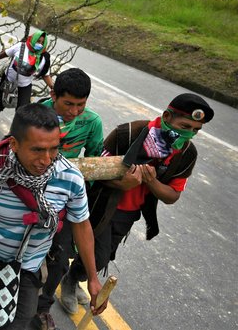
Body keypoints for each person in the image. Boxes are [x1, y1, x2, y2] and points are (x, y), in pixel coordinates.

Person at [0, 103, 107, 330]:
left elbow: (82, 226)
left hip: (28, 270)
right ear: (14, 144)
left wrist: (92, 278)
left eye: (54, 148)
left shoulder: (70, 179)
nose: (47, 159)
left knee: (13, 325)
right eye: (37, 150)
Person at [60, 93, 214, 315]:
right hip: (101, 206)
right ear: (167, 116)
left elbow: (172, 195)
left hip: (130, 213)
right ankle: (69, 279)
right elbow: (93, 171)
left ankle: (74, 277)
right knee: (96, 253)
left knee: (105, 254)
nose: (188, 133)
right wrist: (123, 184)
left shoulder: (186, 153)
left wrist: (151, 182)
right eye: (184, 125)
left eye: (195, 130)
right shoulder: (128, 134)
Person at [32, 68, 104, 330]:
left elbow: (96, 160)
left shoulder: (92, 122)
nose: (74, 112)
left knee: (60, 261)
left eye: (80, 105)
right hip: (30, 196)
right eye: (68, 104)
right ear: (53, 95)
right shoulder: (35, 115)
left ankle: (43, 307)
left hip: (64, 200)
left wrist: (78, 192)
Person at [0, 30, 54, 118]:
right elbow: (3, 55)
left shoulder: (44, 57)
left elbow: (45, 74)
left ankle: (15, 130)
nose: (39, 44)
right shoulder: (21, 46)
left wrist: (52, 87)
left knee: (22, 111)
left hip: (25, 85)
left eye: (42, 42)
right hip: (9, 81)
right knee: (0, 104)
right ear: (33, 39)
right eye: (38, 41)